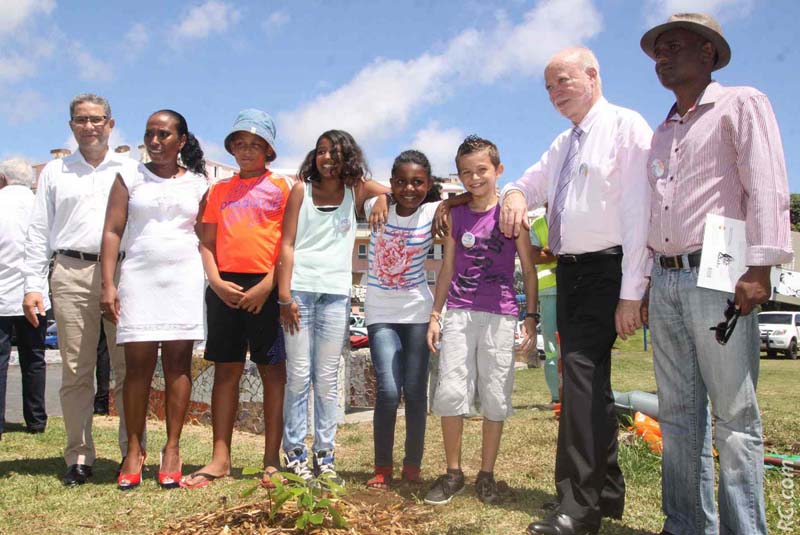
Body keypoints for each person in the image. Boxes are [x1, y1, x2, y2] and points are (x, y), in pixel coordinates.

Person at [640, 13, 792, 535]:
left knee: (733, 417)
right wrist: (642, 284)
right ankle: (684, 525)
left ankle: (743, 529)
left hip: (719, 278)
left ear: (708, 53)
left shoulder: (741, 104)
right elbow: (649, 214)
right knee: (679, 415)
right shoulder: (661, 133)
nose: (662, 56)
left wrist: (761, 266)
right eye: (657, 50)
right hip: (666, 279)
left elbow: (767, 187)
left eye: (673, 45)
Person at [498, 48, 652, 535]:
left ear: (592, 75)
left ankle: (578, 507)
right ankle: (605, 494)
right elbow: (529, 182)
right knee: (589, 385)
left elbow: (638, 214)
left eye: (562, 81)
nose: (554, 93)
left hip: (608, 269)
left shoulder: (627, 128)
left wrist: (632, 292)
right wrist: (517, 194)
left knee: (579, 383)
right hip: (571, 274)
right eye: (547, 87)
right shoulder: (564, 142)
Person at [22, 94, 139, 486]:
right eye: (81, 120)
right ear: (71, 125)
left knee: (127, 369)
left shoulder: (130, 168)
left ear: (110, 123)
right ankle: (79, 456)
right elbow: (39, 231)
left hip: (123, 274)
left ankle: (130, 453)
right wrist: (32, 286)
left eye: (96, 119)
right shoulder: (56, 172)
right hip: (70, 273)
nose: (89, 126)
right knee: (75, 370)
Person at [424, 135, 538, 506]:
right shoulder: (455, 214)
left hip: (501, 314)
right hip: (458, 311)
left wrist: (531, 317)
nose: (474, 179)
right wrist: (435, 314)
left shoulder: (512, 214)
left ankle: (486, 474)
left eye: (482, 171)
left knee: (494, 395)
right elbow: (447, 267)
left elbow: (529, 269)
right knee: (451, 392)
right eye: (465, 173)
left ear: (498, 171)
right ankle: (453, 472)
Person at [181, 109, 290, 489]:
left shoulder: (283, 187)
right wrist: (215, 281)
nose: (246, 151)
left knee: (273, 372)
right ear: (231, 148)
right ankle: (220, 458)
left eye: (255, 144)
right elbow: (206, 243)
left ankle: (272, 459)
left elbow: (289, 243)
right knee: (226, 370)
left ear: (269, 150)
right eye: (240, 144)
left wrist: (268, 285)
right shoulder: (219, 191)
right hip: (224, 288)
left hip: (267, 287)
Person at [100, 110, 209, 490]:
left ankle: (173, 449)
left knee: (179, 365)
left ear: (181, 141)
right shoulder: (128, 175)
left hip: (184, 279)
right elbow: (113, 231)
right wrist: (108, 284)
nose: (155, 140)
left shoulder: (198, 183)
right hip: (139, 279)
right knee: (137, 369)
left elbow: (206, 237)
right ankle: (133, 450)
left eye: (164, 134)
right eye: (150, 134)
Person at [277, 130, 388, 486]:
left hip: (335, 296)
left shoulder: (354, 191)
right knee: (298, 376)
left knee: (326, 380)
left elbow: (390, 189)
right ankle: (294, 453)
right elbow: (287, 243)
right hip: (299, 295)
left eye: (335, 153)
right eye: (322, 151)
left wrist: (382, 200)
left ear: (347, 159)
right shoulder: (301, 190)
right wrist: (284, 297)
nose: (327, 158)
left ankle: (325, 455)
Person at [363, 150, 442, 490]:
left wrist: (448, 203)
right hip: (380, 313)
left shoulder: (433, 211)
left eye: (418, 182)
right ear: (392, 181)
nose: (409, 188)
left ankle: (413, 465)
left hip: (417, 313)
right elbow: (356, 181)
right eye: (401, 182)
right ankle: (382, 467)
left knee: (414, 390)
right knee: (389, 390)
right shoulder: (374, 207)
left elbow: (470, 195)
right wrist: (381, 195)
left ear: (429, 185)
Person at [0, 159, 49, 440]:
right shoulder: (37, 206)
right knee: (34, 359)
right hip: (36, 294)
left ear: (3, 179)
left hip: (3, 294)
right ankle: (36, 419)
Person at [529, 209, 559, 403]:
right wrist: (557, 252)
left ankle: (576, 394)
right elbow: (534, 257)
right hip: (548, 291)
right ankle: (557, 396)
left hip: (574, 288)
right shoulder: (538, 224)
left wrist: (548, 250)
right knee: (551, 348)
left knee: (575, 345)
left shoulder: (573, 217)